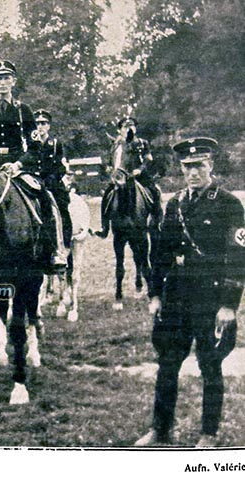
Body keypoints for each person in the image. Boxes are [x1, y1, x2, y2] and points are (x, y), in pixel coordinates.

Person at [135, 137, 244, 447]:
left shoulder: (228, 204)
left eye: (199, 166)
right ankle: (161, 429)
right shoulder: (176, 203)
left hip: (211, 301)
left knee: (210, 367)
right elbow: (161, 253)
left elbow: (238, 256)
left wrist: (229, 305)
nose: (193, 173)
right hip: (176, 298)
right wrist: (155, 295)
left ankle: (208, 435)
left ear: (211, 166)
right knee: (167, 364)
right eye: (187, 167)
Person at [0, 60, 66, 273]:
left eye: (6, 78)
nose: (2, 83)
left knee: (45, 196)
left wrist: (18, 164)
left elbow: (35, 146)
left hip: (18, 168)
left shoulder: (23, 111)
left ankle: (54, 250)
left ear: (14, 82)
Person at [96, 116, 162, 238]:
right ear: (120, 130)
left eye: (131, 126)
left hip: (139, 177)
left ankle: (157, 223)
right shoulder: (115, 144)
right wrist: (109, 168)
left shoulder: (142, 143)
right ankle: (104, 227)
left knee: (155, 191)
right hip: (120, 177)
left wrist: (140, 170)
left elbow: (148, 159)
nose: (129, 129)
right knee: (107, 195)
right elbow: (109, 160)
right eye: (125, 127)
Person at [27, 109, 72, 249]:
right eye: (37, 123)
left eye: (44, 123)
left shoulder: (56, 144)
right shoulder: (29, 143)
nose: (40, 126)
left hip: (51, 183)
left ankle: (64, 243)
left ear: (49, 126)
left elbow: (61, 166)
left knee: (61, 208)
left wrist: (52, 178)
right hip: (33, 181)